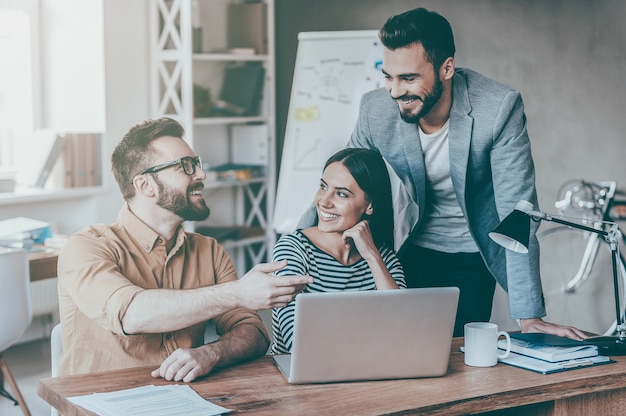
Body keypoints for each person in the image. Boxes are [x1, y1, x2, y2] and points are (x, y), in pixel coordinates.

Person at [299, 8, 585, 340]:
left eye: (408, 78)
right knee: (391, 345)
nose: (394, 91)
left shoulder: (498, 108)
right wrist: (292, 248)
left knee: (450, 356)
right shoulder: (375, 110)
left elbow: (517, 212)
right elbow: (341, 181)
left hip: (470, 252)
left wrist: (529, 315)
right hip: (402, 244)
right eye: (388, 77)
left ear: (446, 68)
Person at [57, 117, 312, 382]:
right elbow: (133, 315)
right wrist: (237, 293)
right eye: (185, 167)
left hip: (186, 402)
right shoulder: (86, 247)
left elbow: (254, 334)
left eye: (196, 164)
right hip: (100, 404)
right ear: (145, 185)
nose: (201, 175)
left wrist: (211, 353)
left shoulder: (209, 251)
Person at [270, 148, 406, 354]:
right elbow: (298, 342)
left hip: (368, 372)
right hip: (301, 378)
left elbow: (403, 331)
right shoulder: (293, 250)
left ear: (369, 205)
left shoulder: (382, 258)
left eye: (341, 194)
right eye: (323, 187)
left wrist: (372, 256)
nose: (324, 201)